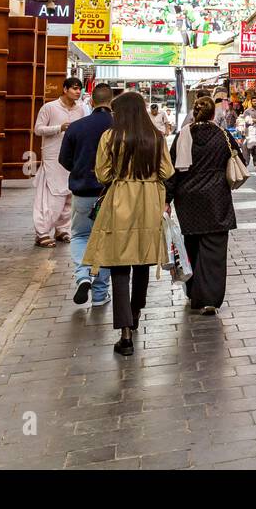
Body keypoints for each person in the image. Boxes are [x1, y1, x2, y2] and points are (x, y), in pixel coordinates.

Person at [83, 91, 173, 357]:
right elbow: (167, 172)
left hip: (120, 199)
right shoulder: (156, 137)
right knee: (142, 261)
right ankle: (135, 314)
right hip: (149, 202)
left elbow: (102, 174)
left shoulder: (110, 137)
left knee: (119, 265)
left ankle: (125, 333)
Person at [168, 96, 244, 314]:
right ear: (213, 114)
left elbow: (172, 170)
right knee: (214, 249)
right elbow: (240, 159)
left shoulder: (183, 136)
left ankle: (193, 292)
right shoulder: (222, 135)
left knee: (192, 245)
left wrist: (167, 199)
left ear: (194, 113)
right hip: (216, 198)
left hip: (188, 199)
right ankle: (208, 299)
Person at [58, 83, 114, 308]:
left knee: (81, 236)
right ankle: (100, 294)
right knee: (106, 241)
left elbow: (64, 159)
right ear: (111, 102)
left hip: (82, 192)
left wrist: (80, 170)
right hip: (109, 194)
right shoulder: (119, 126)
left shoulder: (77, 127)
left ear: (91, 102)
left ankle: (83, 275)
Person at [31, 77, 87, 248]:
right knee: (51, 197)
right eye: (74, 88)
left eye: (79, 89)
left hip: (73, 157)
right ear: (65, 89)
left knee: (69, 194)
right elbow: (38, 129)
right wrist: (59, 128)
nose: (78, 92)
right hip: (53, 157)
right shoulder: (49, 107)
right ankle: (42, 233)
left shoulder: (82, 109)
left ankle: (62, 230)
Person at [238, 95, 256, 171]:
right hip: (249, 134)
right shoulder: (247, 111)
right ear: (251, 102)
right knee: (247, 151)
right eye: (253, 101)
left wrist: (253, 119)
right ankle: (245, 165)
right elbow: (247, 120)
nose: (255, 102)